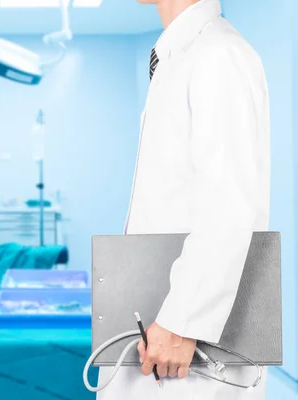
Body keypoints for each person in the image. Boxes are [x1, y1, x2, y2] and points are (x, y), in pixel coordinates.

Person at [97, 0, 271, 399]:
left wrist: (181, 323)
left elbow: (231, 208)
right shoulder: (180, 57)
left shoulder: (219, 56)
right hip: (162, 333)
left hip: (183, 345)